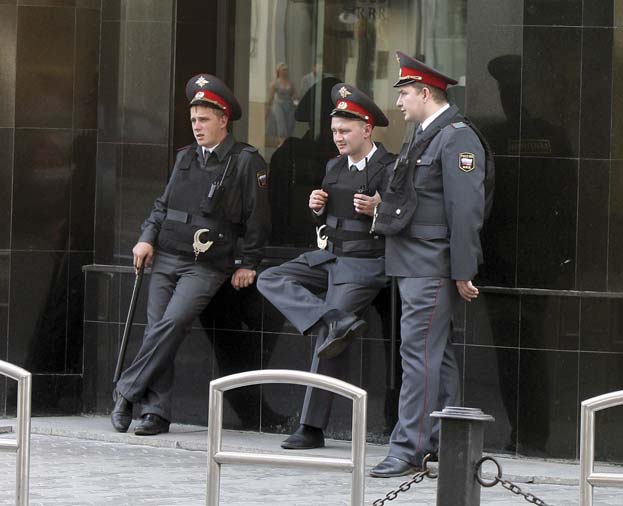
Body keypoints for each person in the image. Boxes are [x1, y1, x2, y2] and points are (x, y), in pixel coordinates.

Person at [110, 74, 271, 436]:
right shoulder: (185, 157)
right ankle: (155, 413)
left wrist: (249, 262)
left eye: (204, 120)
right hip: (166, 256)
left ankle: (126, 391)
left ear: (223, 120)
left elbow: (258, 219)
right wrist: (146, 238)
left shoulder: (245, 161)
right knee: (157, 329)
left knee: (172, 323)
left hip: (206, 264)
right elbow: (162, 206)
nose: (197, 126)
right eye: (194, 120)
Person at [369, 52, 493, 477]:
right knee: (436, 357)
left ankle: (409, 448)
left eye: (404, 93)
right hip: (412, 262)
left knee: (418, 355)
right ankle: (444, 442)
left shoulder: (456, 137)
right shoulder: (424, 134)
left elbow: (466, 209)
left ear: (425, 93)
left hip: (430, 264)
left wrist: (463, 269)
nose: (398, 102)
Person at [257, 83, 396, 449]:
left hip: (365, 263)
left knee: (329, 340)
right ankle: (332, 320)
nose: (337, 137)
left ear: (367, 129)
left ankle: (311, 427)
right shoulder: (334, 166)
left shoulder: (390, 167)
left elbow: (406, 217)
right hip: (330, 256)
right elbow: (329, 220)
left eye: (345, 130)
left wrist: (379, 209)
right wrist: (316, 208)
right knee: (270, 278)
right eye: (335, 130)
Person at [266, 63, 297, 144]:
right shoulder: (275, 83)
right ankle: (282, 142)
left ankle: (287, 142)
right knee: (281, 124)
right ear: (279, 71)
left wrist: (295, 98)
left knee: (290, 124)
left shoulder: (290, 83)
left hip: (289, 105)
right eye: (283, 70)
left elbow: (295, 94)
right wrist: (267, 108)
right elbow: (271, 97)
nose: (285, 71)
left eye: (286, 70)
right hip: (279, 105)